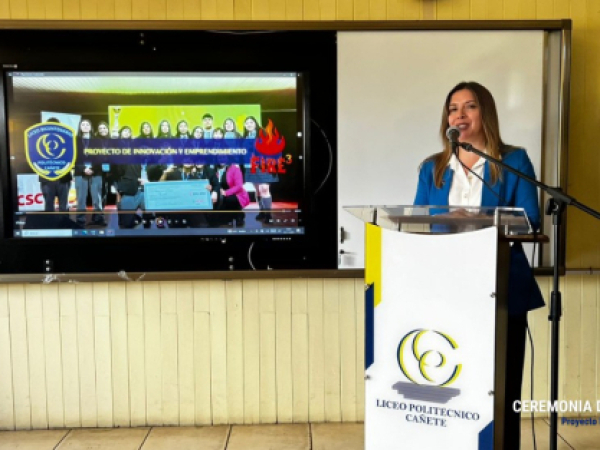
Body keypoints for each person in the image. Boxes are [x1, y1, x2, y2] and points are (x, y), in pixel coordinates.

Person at [413, 81, 545, 449]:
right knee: (453, 380)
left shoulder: (512, 161)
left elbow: (531, 220)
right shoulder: (433, 167)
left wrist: (479, 219)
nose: (459, 114)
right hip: (446, 285)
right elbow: (418, 219)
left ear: (485, 113)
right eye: (453, 108)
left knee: (503, 383)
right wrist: (447, 218)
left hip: (501, 284)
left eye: (469, 106)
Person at [244, 116, 277, 223]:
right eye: (247, 123)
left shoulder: (263, 134)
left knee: (264, 189)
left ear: (255, 123)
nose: (249, 124)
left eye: (251, 122)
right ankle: (262, 211)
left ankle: (268, 215)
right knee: (258, 190)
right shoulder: (245, 137)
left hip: (263, 166)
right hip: (250, 167)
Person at [74, 118, 105, 226]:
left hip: (95, 172)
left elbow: (100, 156)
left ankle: (99, 218)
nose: (85, 126)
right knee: (81, 198)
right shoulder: (75, 140)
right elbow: (73, 157)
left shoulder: (98, 140)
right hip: (80, 172)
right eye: (83, 124)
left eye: (87, 124)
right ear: (80, 127)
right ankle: (80, 220)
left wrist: (92, 169)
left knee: (97, 197)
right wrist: (83, 168)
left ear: (91, 127)